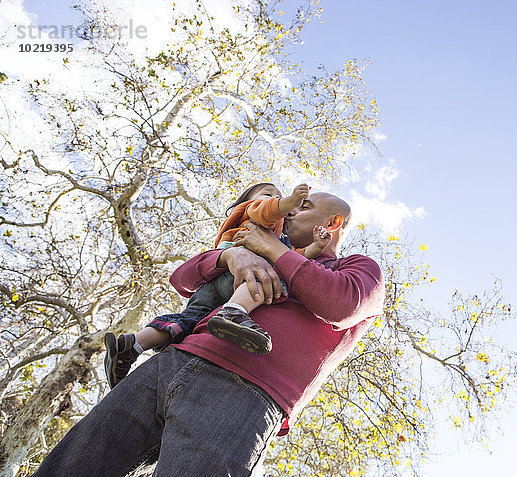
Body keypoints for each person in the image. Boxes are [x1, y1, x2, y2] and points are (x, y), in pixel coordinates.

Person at [34, 191, 384, 477]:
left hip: (246, 393)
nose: (288, 214)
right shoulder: (252, 249)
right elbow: (183, 279)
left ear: (333, 223)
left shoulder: (357, 267)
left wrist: (272, 249)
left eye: (303, 207)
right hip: (168, 365)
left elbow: (343, 303)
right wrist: (230, 256)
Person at [104, 182, 332, 388]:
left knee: (188, 319)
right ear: (247, 202)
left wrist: (316, 247)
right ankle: (235, 312)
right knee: (269, 278)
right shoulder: (256, 214)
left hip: (212, 282)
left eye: (276, 196)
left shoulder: (276, 238)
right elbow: (267, 211)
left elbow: (294, 257)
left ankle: (131, 345)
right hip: (237, 275)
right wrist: (288, 201)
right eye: (268, 193)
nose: (274, 198)